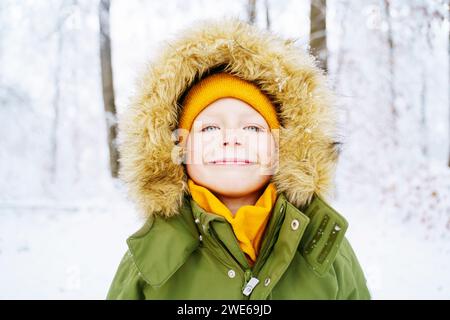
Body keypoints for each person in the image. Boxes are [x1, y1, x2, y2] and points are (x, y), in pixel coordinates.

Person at [106, 18, 371, 300]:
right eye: (209, 128)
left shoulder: (324, 250)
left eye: (252, 128)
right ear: (179, 147)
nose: (231, 138)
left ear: (283, 147)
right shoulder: (150, 259)